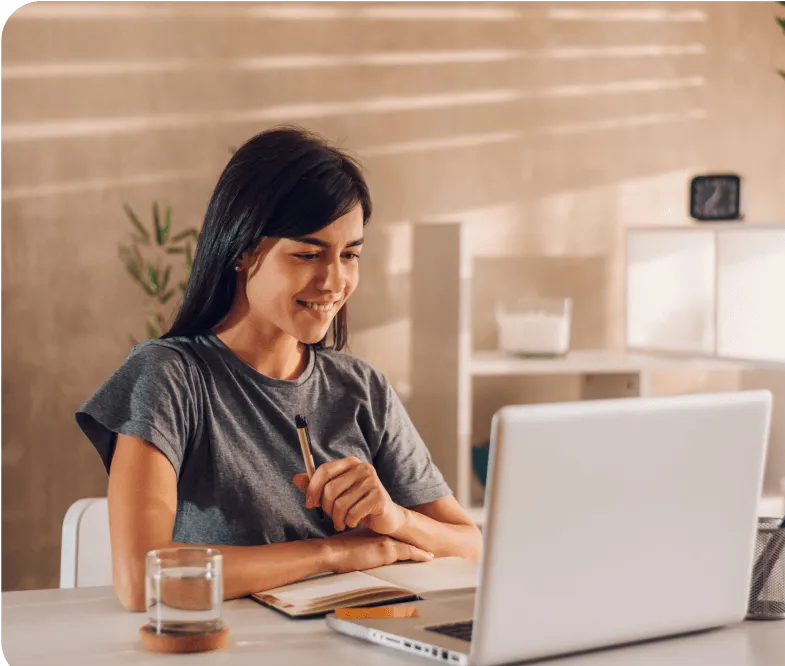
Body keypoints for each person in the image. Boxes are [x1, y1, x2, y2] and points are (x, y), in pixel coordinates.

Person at [75, 126, 483, 612]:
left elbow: (470, 544)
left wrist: (394, 518)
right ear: (243, 252)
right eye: (308, 254)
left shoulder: (361, 388)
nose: (334, 281)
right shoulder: (168, 377)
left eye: (350, 254)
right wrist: (334, 552)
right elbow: (143, 578)